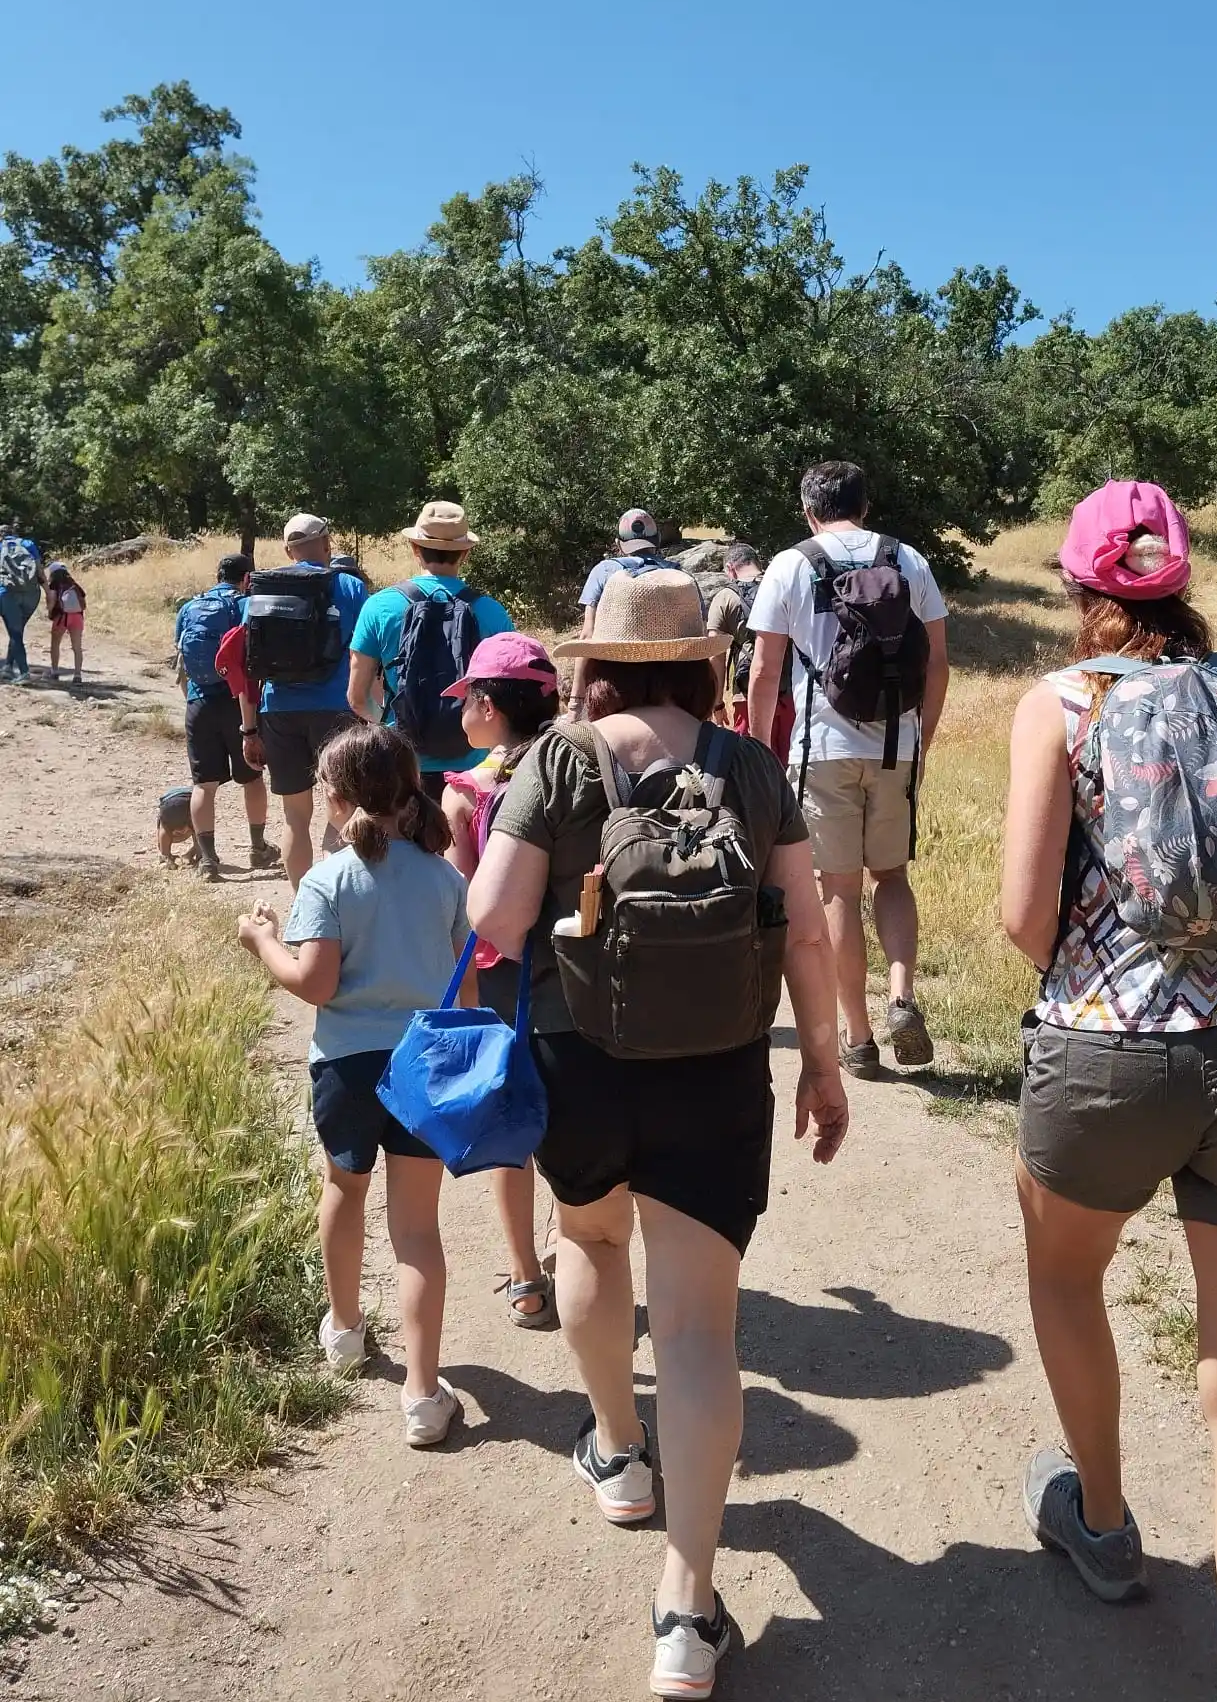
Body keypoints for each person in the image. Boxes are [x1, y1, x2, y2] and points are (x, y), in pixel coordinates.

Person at [466, 568, 848, 1701]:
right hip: (717, 1073)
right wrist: (822, 1065)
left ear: (597, 662)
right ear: (700, 663)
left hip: (580, 1061)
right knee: (697, 1331)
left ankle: (618, 1458)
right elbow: (811, 934)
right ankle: (687, 1610)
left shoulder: (559, 759)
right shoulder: (751, 767)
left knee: (587, 1246)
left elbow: (493, 921)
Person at [1001, 480, 1217, 1702]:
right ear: (1181, 582)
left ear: (1085, 591)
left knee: (1067, 1271)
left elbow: (1025, 916)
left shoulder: (1061, 704)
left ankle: (1098, 1511)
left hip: (1103, 1054)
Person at [237, 723, 468, 1449]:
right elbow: (462, 986)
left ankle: (342, 1331)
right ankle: (425, 1395)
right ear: (411, 791)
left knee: (343, 1190)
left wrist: (262, 941)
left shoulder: (327, 880)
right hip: (421, 1064)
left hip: (346, 1065)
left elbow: (315, 982)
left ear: (333, 801)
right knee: (417, 1229)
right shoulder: (444, 878)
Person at [745, 461, 950, 1078]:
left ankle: (858, 1037)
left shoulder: (791, 563)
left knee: (838, 888)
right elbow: (937, 662)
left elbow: (764, 670)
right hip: (897, 747)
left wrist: (759, 753)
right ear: (865, 505)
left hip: (821, 749)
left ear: (809, 508)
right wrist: (923, 738)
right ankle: (903, 994)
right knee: (891, 876)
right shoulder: (908, 559)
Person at [440, 631, 562, 1330]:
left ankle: (525, 1275)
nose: (461, 712)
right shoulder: (574, 769)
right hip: (568, 965)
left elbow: (466, 904)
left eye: (467, 700)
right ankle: (567, 1240)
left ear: (488, 705)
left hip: (497, 978)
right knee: (571, 1110)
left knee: (509, 1126)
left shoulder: (469, 794)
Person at [348, 501, 512, 803]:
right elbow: (510, 696)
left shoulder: (379, 607)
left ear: (415, 548)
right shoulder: (492, 612)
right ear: (465, 552)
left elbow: (357, 698)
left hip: (403, 766)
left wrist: (391, 728)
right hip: (473, 771)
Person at [243, 515, 369, 885]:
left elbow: (248, 661)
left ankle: (303, 903)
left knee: (295, 817)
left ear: (287, 550)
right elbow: (365, 653)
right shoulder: (348, 586)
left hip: (279, 709)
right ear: (327, 544)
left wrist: (249, 726)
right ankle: (341, 897)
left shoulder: (262, 588)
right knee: (343, 808)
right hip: (337, 707)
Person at [174, 553, 278, 879]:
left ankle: (208, 860)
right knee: (252, 776)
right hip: (239, 702)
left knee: (204, 785)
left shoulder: (189, 607)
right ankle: (258, 848)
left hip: (198, 703)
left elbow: (181, 660)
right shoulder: (244, 605)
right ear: (248, 578)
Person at [571, 509, 667, 716]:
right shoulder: (678, 575)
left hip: (613, 685)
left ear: (618, 543)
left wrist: (575, 702)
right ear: (657, 539)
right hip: (668, 687)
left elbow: (588, 635)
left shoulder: (604, 571)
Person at [707, 544, 794, 766]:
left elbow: (715, 653)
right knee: (791, 763)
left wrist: (717, 703)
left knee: (753, 765)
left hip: (748, 696)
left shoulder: (725, 597)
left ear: (730, 568)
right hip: (791, 692)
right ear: (757, 563)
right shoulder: (783, 588)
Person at [0, 523, 44, 683]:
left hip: (7, 593)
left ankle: (24, 672)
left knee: (15, 633)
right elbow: (39, 571)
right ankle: (8, 668)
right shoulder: (28, 544)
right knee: (16, 632)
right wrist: (49, 592)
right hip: (31, 594)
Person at [43, 562, 86, 686]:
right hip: (77, 617)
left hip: (61, 617)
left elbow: (51, 602)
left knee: (55, 644)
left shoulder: (54, 585)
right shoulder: (74, 585)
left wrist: (50, 612)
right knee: (77, 647)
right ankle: (77, 675)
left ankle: (54, 671)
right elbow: (83, 601)